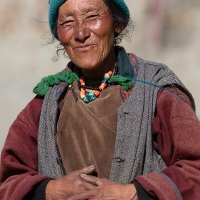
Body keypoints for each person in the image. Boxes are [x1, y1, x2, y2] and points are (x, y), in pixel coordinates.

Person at [0, 0, 200, 199]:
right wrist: (51, 190)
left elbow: (195, 170)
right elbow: (8, 180)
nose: (81, 34)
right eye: (68, 22)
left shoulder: (155, 90)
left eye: (92, 17)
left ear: (117, 24)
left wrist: (130, 194)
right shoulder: (47, 102)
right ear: (58, 34)